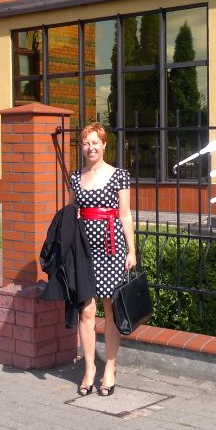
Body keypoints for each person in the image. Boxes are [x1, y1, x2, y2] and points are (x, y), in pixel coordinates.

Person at [69, 121, 137, 397]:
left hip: (111, 249)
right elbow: (72, 212)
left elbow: (125, 214)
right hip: (84, 251)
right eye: (86, 143)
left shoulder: (119, 175)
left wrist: (131, 250)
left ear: (104, 145)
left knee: (110, 310)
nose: (91, 147)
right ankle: (89, 368)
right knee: (86, 310)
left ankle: (109, 366)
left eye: (95, 142)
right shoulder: (75, 177)